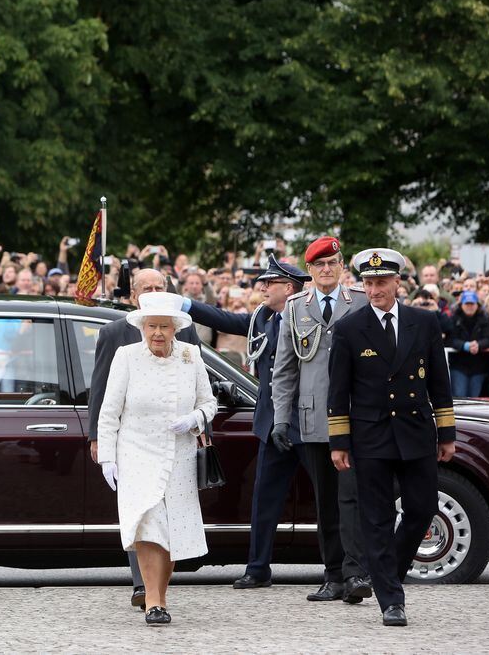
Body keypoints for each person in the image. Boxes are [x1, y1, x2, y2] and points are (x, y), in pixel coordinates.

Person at [328, 248, 455, 627]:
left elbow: (439, 382)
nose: (374, 289)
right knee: (377, 519)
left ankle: (387, 574)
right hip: (371, 435)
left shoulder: (424, 321)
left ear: (398, 282)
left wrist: (446, 433)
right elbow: (339, 390)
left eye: (381, 282)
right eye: (368, 282)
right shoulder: (350, 328)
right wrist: (339, 442)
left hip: (415, 430)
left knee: (421, 509)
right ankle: (391, 600)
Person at [181, 255, 323, 591]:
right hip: (272, 423)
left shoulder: (309, 319)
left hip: (306, 423)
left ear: (288, 288)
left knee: (327, 498)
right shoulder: (264, 317)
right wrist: (187, 304)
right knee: (264, 500)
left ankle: (340, 569)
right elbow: (228, 320)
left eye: (269, 283)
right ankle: (258, 567)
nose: (262, 288)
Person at [97, 292, 217, 625]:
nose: (158, 334)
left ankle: (160, 597)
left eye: (164, 327)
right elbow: (109, 411)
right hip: (135, 451)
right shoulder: (126, 356)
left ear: (175, 327)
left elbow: (209, 403)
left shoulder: (190, 355)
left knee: (172, 529)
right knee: (148, 525)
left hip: (178, 453)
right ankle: (152, 601)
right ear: (142, 327)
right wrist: (107, 456)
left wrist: (194, 419)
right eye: (152, 327)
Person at [271, 236, 372, 604]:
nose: (326, 270)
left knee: (353, 497)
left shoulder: (360, 301)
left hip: (356, 417)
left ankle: (356, 572)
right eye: (319, 265)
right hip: (313, 419)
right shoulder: (295, 307)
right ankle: (332, 575)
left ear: (342, 266)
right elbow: (284, 369)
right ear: (309, 271)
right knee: (325, 500)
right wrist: (281, 419)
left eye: (332, 263)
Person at [447, 290, 489, 397]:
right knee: (460, 396)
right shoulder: (454, 319)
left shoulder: (484, 319)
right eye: (467, 304)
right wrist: (465, 346)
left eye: (472, 304)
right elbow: (450, 339)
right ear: (461, 305)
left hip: (478, 366)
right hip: (459, 365)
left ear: (477, 305)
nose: (470, 306)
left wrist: (479, 345)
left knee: (475, 398)